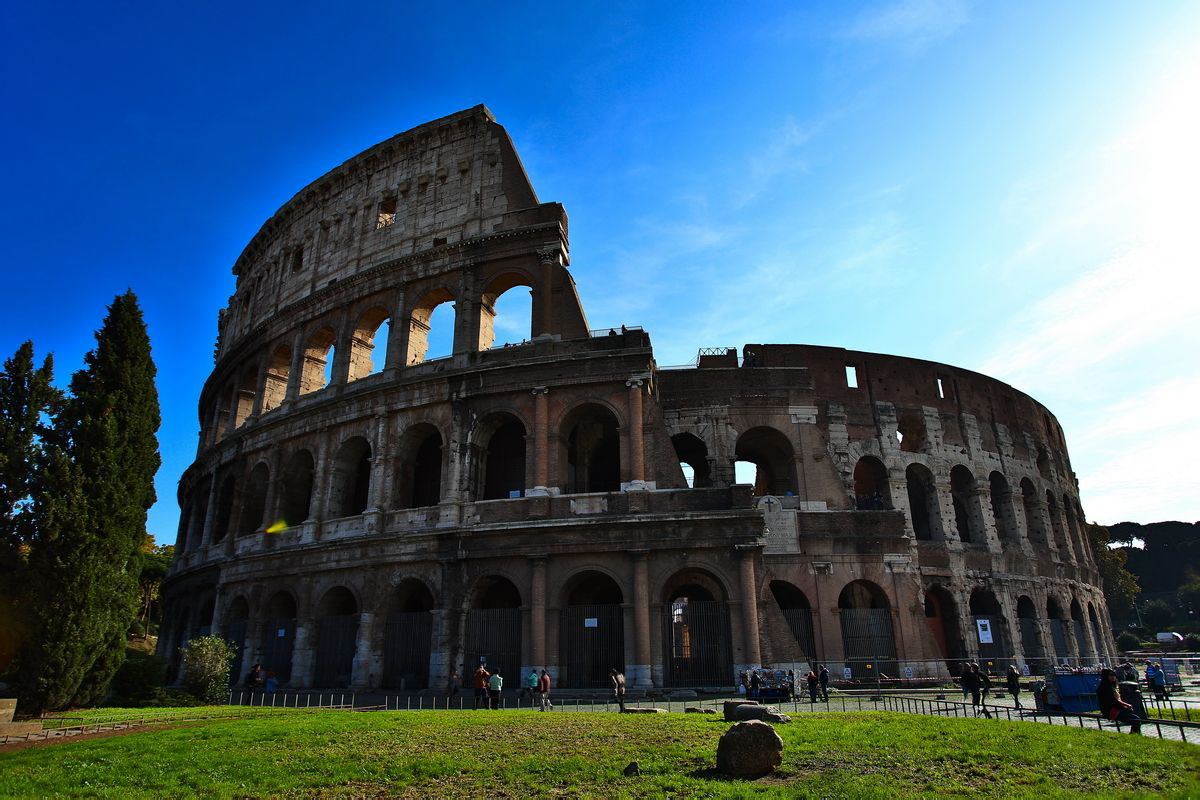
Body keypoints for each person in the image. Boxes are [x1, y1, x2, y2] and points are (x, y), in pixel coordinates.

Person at [1097, 667, 1142, 733]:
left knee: (1136, 719)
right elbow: (1113, 701)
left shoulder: (1110, 686)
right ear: (1106, 676)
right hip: (1111, 710)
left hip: (1115, 709)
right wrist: (1125, 706)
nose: (1113, 677)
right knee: (1136, 720)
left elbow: (1116, 700)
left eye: (1114, 675)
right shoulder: (1105, 688)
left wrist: (1125, 706)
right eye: (1111, 675)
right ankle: (1135, 735)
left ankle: (1135, 734)